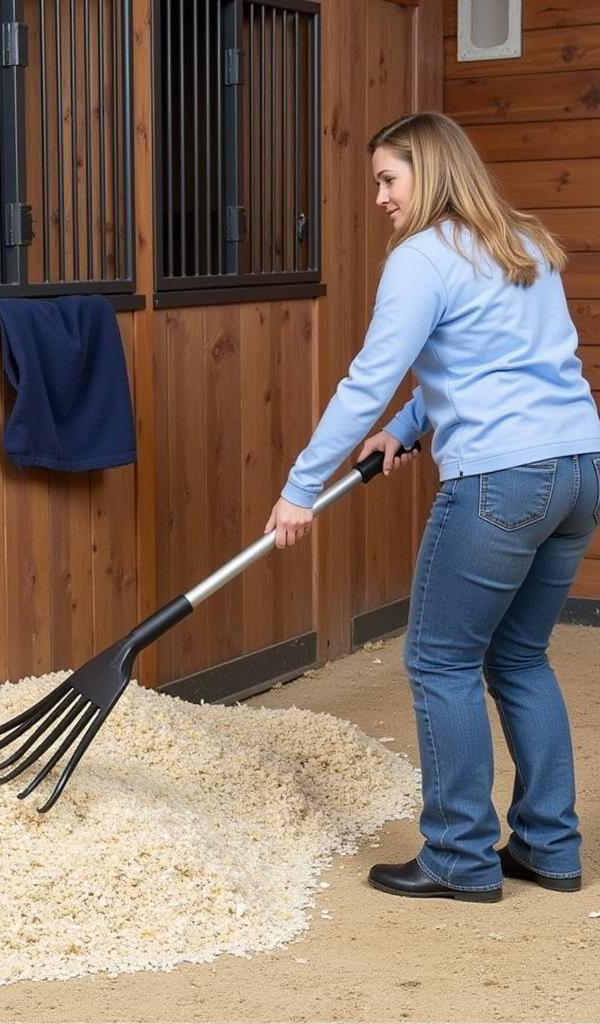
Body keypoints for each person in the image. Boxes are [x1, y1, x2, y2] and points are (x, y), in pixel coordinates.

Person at [264, 111, 600, 902]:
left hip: (499, 482)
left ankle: (458, 856)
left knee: (439, 659)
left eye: (388, 178)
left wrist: (299, 487)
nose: (379, 196)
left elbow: (367, 378)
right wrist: (408, 428)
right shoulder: (523, 242)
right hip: (578, 470)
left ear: (432, 172)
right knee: (519, 656)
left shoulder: (421, 258)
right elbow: (504, 361)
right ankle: (551, 848)